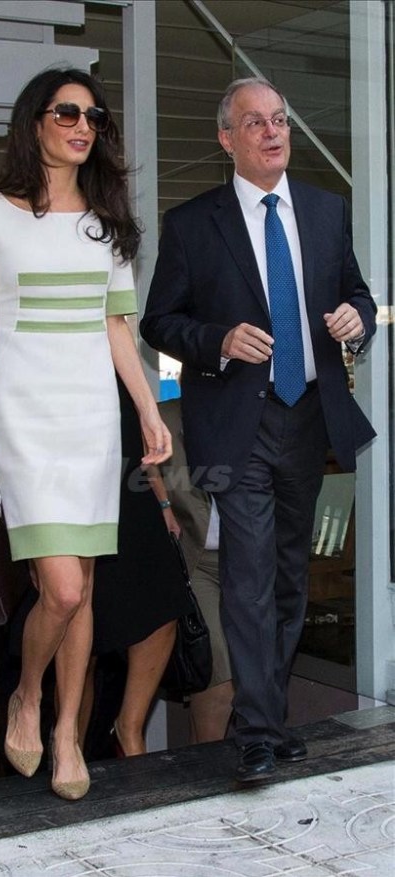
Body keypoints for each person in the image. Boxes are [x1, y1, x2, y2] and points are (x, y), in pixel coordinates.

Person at [141, 76, 377, 783]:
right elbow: (158, 322)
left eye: (279, 121)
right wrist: (216, 339)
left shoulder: (326, 210)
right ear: (226, 139)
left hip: (306, 416)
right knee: (245, 573)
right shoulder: (191, 224)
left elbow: (356, 294)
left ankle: (267, 718)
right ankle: (255, 731)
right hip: (234, 424)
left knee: (285, 579)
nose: (272, 133)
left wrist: (354, 320)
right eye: (254, 123)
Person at [0, 67, 171, 800]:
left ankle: (66, 732)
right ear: (36, 121)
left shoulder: (105, 222)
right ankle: (25, 694)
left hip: (88, 418)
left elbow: (116, 329)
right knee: (61, 585)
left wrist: (146, 409)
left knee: (80, 590)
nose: (83, 127)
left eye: (94, 118)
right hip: (22, 416)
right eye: (67, 113)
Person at [83, 379, 192, 758]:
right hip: (69, 495)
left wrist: (164, 507)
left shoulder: (118, 361)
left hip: (133, 494)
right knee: (82, 625)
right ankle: (69, 744)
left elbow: (144, 439)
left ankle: (130, 729)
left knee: (164, 605)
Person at [156, 398, 234, 744]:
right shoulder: (162, 417)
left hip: (251, 562)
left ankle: (204, 768)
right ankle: (208, 778)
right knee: (218, 680)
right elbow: (139, 475)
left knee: (253, 675)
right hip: (196, 562)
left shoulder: (255, 413)